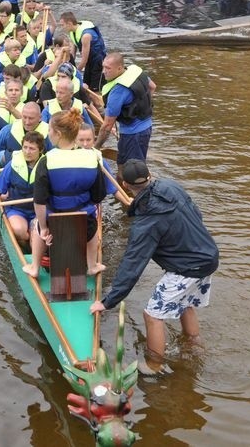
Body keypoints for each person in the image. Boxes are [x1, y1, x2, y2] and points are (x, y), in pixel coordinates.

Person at [89, 159, 220, 374]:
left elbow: (133, 263)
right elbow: (197, 215)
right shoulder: (171, 186)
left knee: (152, 315)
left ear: (125, 185)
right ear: (149, 175)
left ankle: (154, 366)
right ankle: (195, 346)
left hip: (187, 267)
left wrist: (107, 302)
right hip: (208, 256)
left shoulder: (146, 222)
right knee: (186, 303)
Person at [22, 110, 107, 278]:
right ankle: (91, 266)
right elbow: (99, 195)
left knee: (36, 226)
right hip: (85, 222)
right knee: (93, 226)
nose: (48, 134)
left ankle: (35, 267)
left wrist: (44, 227)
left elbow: (39, 200)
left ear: (58, 134)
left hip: (53, 221)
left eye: (50, 131)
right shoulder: (92, 157)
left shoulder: (46, 160)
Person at [94, 52, 156, 181]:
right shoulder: (135, 71)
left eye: (108, 68)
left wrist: (96, 147)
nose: (104, 72)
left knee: (135, 172)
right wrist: (143, 106)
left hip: (134, 134)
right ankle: (123, 186)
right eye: (103, 67)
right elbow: (152, 87)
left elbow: (107, 126)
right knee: (122, 164)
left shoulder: (117, 91)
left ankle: (137, 196)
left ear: (120, 68)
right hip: (145, 125)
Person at [0, 131, 45, 243]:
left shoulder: (46, 166)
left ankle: (34, 241)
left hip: (39, 210)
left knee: (39, 233)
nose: (27, 151)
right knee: (19, 230)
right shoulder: (13, 164)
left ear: (40, 150)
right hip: (17, 208)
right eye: (25, 147)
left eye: (32, 148)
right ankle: (28, 241)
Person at [0, 102, 51, 173]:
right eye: (24, 117)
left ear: (40, 117)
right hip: (9, 161)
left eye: (31, 118)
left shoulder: (49, 133)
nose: (27, 122)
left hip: (36, 167)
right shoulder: (9, 129)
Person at [77, 124, 133, 206]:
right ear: (74, 140)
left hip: (87, 202)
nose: (85, 144)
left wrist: (127, 201)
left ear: (94, 141)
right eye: (81, 140)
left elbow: (112, 187)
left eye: (88, 140)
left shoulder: (98, 159)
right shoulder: (65, 156)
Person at [58, 11, 108, 92]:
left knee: (95, 88)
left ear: (69, 23)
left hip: (98, 61)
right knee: (85, 84)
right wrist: (69, 64)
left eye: (62, 25)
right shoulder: (72, 32)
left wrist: (73, 73)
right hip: (89, 61)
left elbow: (84, 60)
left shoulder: (85, 36)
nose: (61, 28)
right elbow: (73, 52)